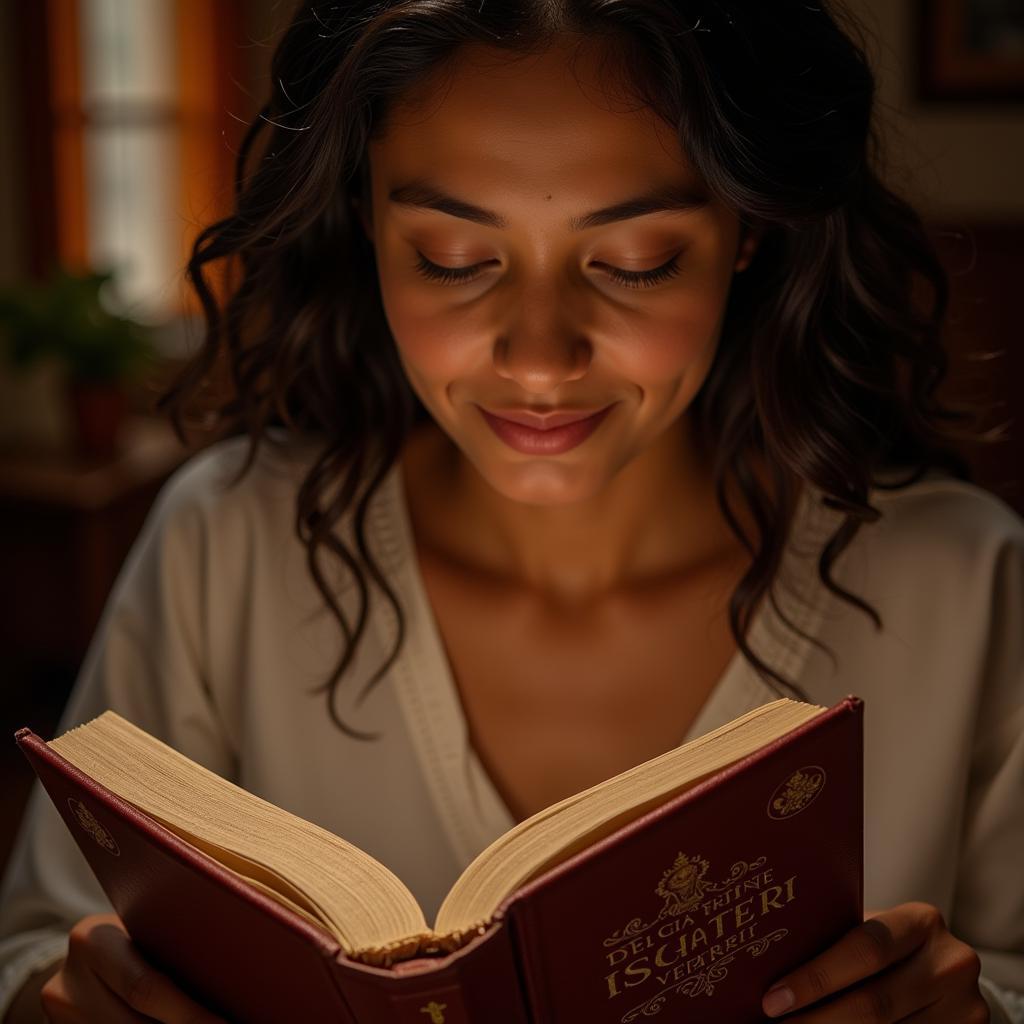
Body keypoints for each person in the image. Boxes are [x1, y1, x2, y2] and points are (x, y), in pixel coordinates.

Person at [2, 1, 1022, 1021]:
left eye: (633, 263)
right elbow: (40, 943)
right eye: (451, 257)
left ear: (746, 228)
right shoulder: (222, 544)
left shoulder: (964, 582)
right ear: (366, 221)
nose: (539, 359)